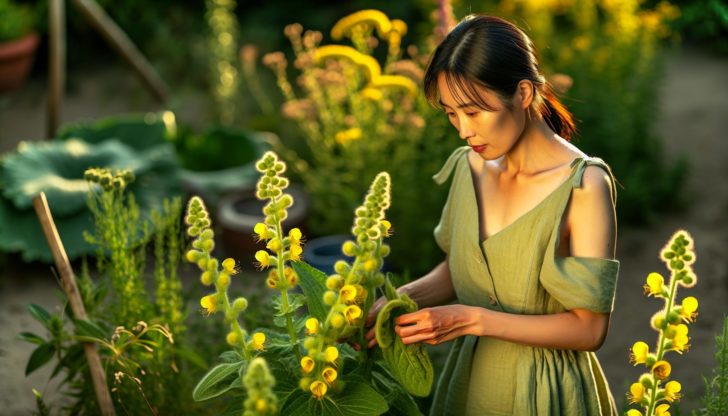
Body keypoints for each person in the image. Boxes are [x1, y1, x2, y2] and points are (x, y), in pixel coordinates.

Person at [364, 14, 620, 416]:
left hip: (545, 392)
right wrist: (398, 302)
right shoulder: (469, 166)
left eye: (473, 111)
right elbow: (462, 269)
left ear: (521, 93)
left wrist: (470, 321)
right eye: (451, 114)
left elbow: (589, 329)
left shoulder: (585, 185)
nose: (464, 130)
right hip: (471, 382)